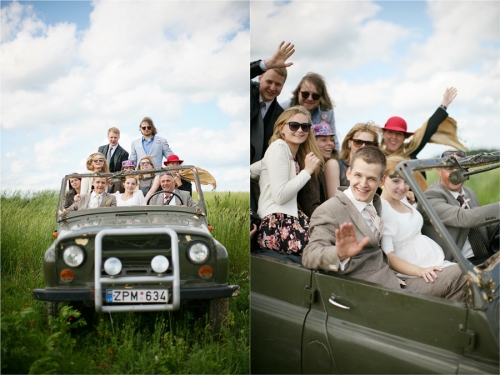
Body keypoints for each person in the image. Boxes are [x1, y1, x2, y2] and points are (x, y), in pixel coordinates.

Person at [302, 146, 466, 301]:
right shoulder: (330, 210)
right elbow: (310, 256)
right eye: (358, 175)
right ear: (349, 173)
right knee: (462, 276)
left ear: (381, 180)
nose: (364, 184)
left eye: (371, 179)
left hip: (395, 279)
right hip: (370, 292)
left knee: (469, 275)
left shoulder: (377, 203)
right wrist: (339, 253)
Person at [380, 155, 466, 294]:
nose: (402, 187)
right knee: (465, 274)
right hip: (414, 270)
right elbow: (389, 257)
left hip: (431, 261)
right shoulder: (384, 210)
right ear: (382, 180)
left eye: (406, 181)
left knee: (471, 279)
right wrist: (420, 271)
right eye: (396, 181)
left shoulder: (403, 199)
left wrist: (409, 200)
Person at [251, 105, 322, 261]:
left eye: (305, 126)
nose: (300, 130)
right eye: (294, 125)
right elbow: (280, 196)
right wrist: (307, 171)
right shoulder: (279, 147)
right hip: (278, 224)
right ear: (281, 128)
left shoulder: (286, 154)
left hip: (286, 221)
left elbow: (253, 170)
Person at [419, 150, 499, 265]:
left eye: (460, 167)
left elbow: (483, 224)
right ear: (439, 170)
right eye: (450, 168)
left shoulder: (468, 192)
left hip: (486, 255)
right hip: (457, 264)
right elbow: (464, 218)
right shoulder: (429, 197)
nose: (455, 174)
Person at [380, 87, 463, 191]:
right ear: (383, 134)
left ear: (404, 137)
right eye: (390, 132)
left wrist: (444, 104)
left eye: (399, 134)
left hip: (418, 201)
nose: (394, 137)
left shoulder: (411, 151)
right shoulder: (377, 156)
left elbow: (428, 130)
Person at [251, 41, 295, 163]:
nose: (272, 88)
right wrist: (265, 64)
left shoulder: (282, 116)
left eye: (278, 84)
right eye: (269, 82)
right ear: (259, 78)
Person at [281, 72, 340, 152]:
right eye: (305, 94)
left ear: (321, 97)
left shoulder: (327, 111)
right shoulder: (284, 108)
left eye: (315, 96)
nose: (310, 98)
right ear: (298, 92)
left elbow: (333, 137)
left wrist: (337, 159)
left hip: (317, 155)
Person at [324, 122, 380, 198]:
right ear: (349, 142)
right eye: (358, 142)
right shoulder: (334, 165)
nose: (363, 146)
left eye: (368, 143)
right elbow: (333, 200)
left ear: (374, 147)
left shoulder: (377, 169)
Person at [297, 123, 337, 217]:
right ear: (312, 142)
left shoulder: (321, 166)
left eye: (331, 140)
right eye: (323, 140)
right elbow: (311, 207)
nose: (330, 144)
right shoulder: (309, 167)